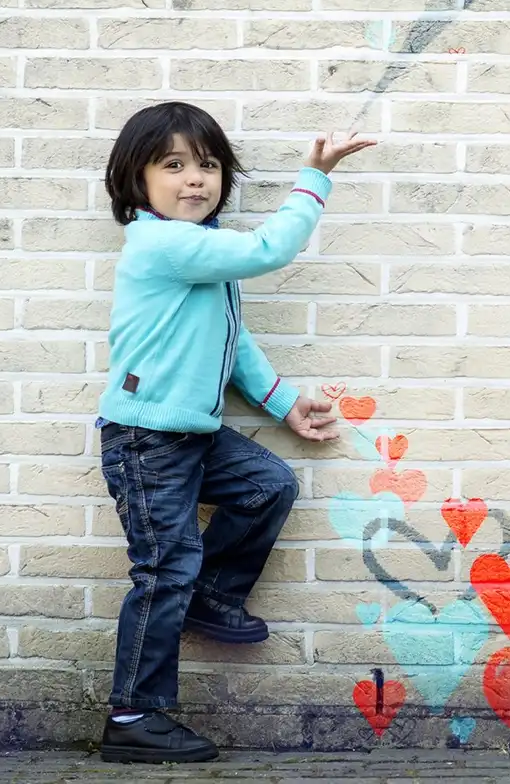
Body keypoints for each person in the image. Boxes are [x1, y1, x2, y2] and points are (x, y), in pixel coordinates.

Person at [93, 101, 374, 763]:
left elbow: (234, 340)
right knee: (163, 571)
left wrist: (285, 405)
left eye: (209, 165)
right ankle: (134, 716)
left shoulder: (198, 257)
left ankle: (211, 596)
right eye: (174, 165)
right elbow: (268, 249)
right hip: (145, 438)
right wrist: (315, 176)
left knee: (267, 484)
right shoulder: (163, 243)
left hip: (189, 434)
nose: (196, 179)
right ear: (137, 181)